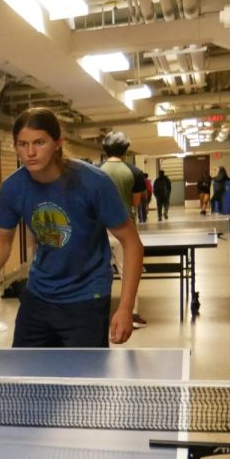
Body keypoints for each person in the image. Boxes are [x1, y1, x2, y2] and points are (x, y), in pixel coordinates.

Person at [0, 108, 142, 347]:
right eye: (23, 144)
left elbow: (132, 243)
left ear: (58, 143)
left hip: (87, 297)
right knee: (25, 380)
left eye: (39, 142)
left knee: (83, 382)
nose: (30, 152)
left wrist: (126, 308)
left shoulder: (94, 183)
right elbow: (3, 239)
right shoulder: (13, 188)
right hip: (38, 296)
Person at [97, 131, 148, 328]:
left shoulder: (97, 170)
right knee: (127, 269)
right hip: (125, 228)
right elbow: (136, 201)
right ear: (126, 150)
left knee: (98, 270)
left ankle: (99, 312)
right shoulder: (134, 172)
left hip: (100, 227)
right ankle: (133, 314)